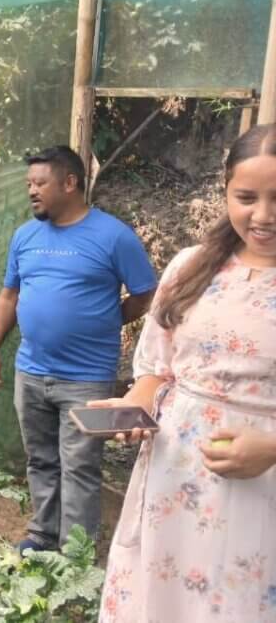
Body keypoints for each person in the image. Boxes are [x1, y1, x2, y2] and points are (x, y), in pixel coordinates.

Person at [94, 124, 276, 622]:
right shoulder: (191, 267)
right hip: (174, 483)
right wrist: (139, 401)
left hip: (262, 493)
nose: (263, 215)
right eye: (246, 197)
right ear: (225, 192)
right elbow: (158, 368)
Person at [0, 145, 157, 554]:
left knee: (79, 466)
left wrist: (108, 318)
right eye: (29, 184)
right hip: (31, 369)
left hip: (86, 377)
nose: (32, 191)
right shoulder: (25, 236)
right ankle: (42, 535)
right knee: (40, 459)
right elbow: (9, 296)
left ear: (70, 183)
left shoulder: (113, 236)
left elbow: (146, 294)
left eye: (40, 183)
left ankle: (76, 552)